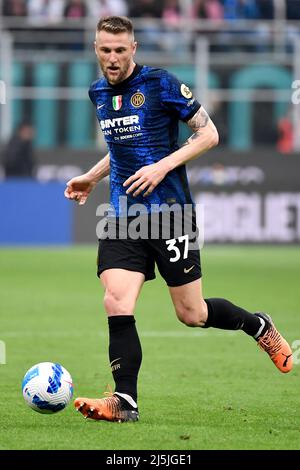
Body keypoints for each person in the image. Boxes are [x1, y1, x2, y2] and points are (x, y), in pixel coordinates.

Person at [64, 16, 293, 423]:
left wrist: (160, 168)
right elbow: (122, 149)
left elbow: (209, 135)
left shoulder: (161, 84)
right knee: (116, 300)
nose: (112, 58)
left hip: (169, 215)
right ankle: (125, 401)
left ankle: (258, 326)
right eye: (105, 50)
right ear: (96, 49)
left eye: (120, 50)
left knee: (192, 314)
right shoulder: (97, 91)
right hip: (122, 215)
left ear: (133, 48)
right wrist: (92, 176)